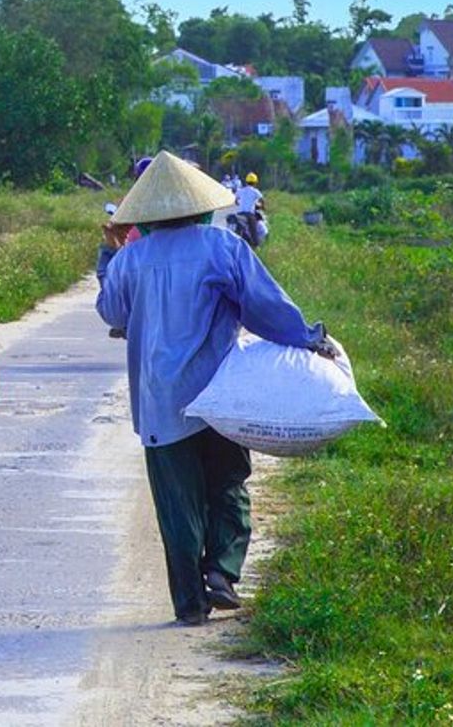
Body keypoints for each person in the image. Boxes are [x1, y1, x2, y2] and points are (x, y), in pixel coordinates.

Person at [95, 150, 334, 626]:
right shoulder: (223, 247)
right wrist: (307, 338)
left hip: (161, 399)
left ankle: (189, 604)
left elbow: (112, 313)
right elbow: (263, 307)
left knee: (177, 504)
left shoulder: (131, 259)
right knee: (227, 483)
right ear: (202, 205)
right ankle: (222, 571)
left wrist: (110, 253)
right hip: (223, 393)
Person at [235, 171, 265, 247]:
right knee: (253, 231)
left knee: (238, 229)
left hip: (240, 213)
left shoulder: (241, 190)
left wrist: (239, 203)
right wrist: (262, 207)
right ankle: (256, 245)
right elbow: (262, 200)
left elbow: (236, 201)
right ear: (255, 183)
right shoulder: (255, 191)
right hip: (249, 214)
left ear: (246, 181)